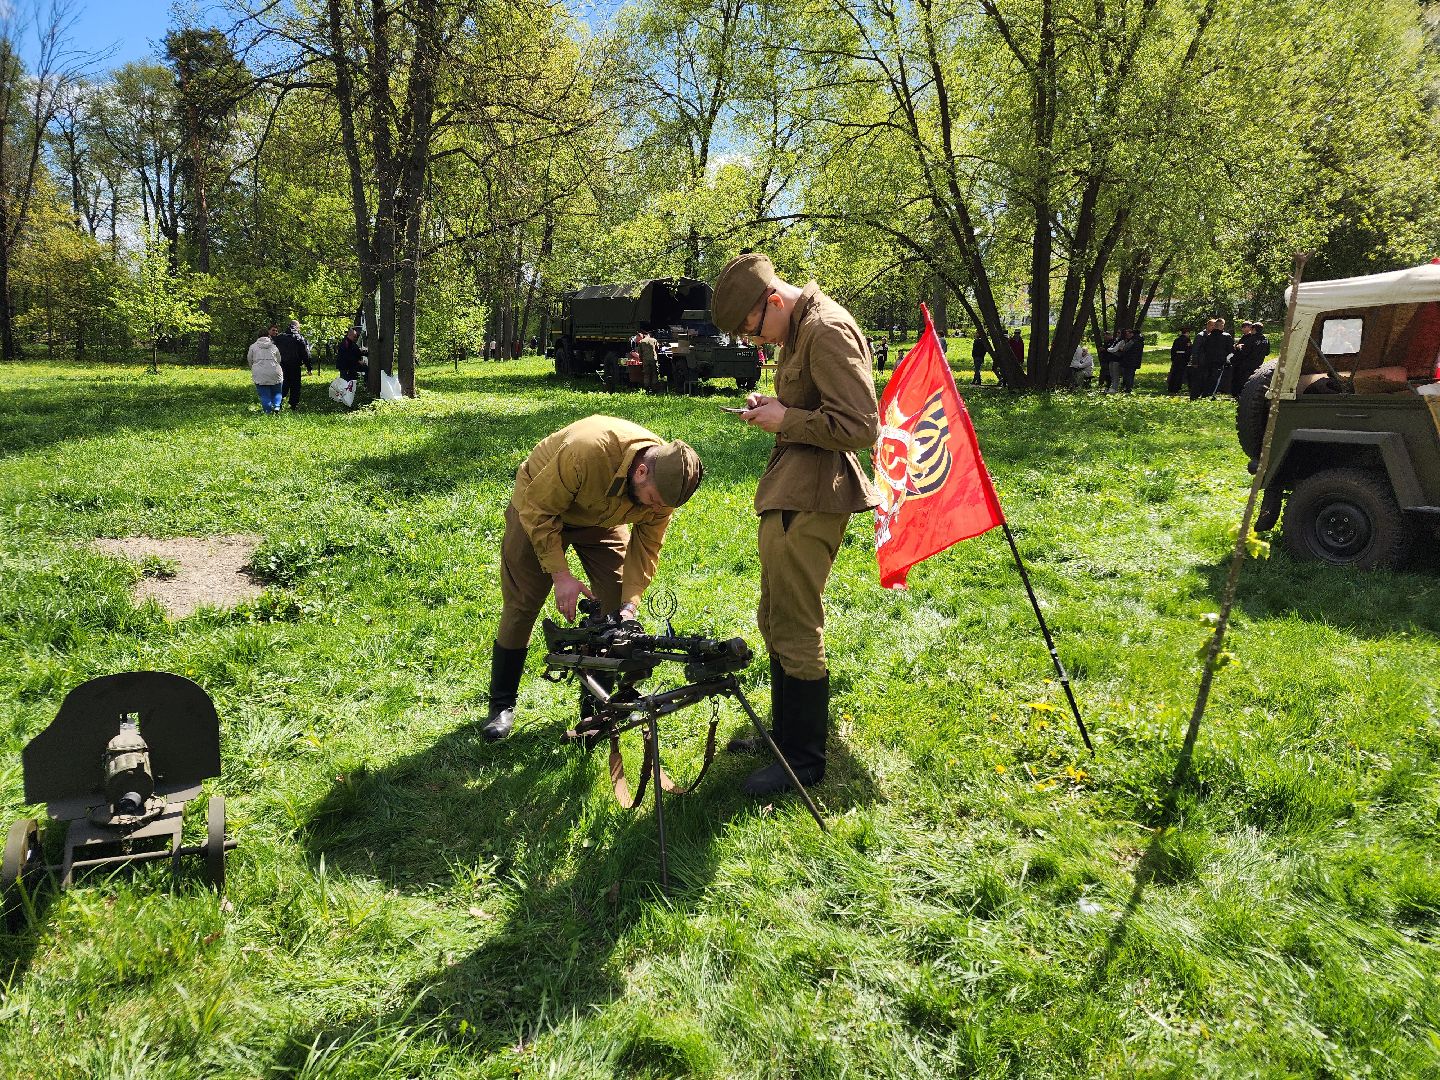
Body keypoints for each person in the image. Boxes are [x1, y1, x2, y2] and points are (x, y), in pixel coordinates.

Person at [710, 252, 880, 796]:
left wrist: (788, 419)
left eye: (751, 329)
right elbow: (814, 402)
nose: (754, 342)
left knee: (795, 622)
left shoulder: (826, 329)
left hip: (814, 496)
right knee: (773, 615)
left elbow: (860, 425)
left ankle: (803, 761)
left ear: (773, 301)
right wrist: (778, 405)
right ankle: (785, 734)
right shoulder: (798, 329)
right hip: (792, 488)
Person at [481, 416, 704, 742]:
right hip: (540, 507)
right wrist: (561, 574)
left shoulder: (664, 488)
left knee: (615, 609)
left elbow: (645, 549)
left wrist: (630, 604)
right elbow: (539, 510)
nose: (657, 508)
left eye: (663, 506)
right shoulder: (586, 451)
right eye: (654, 500)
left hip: (603, 519)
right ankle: (502, 705)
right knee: (523, 603)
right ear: (641, 471)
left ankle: (596, 707)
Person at [273, 319, 311, 411]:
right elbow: (305, 353)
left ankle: (277, 404)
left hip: (282, 365)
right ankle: (293, 405)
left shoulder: (280, 337)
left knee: (283, 384)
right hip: (295, 365)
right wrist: (309, 367)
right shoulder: (299, 338)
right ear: (297, 327)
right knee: (295, 386)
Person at [247, 326, 284, 413]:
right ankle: (277, 406)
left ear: (258, 337)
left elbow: (250, 360)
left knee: (264, 394)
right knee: (277, 391)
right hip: (275, 371)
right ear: (268, 336)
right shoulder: (274, 346)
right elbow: (279, 360)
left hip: (259, 372)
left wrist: (253, 367)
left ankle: (267, 412)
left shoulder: (253, 347)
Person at [1110, 327, 1144, 393]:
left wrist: (1121, 349)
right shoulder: (1139, 340)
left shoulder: (1133, 341)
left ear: (1132, 334)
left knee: (1128, 376)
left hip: (1130, 361)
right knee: (1130, 375)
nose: (1126, 335)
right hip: (1134, 361)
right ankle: (1127, 389)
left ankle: (1128, 390)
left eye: (1127, 334)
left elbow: (1125, 349)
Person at [634, 326, 661, 392]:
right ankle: (654, 388)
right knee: (655, 373)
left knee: (646, 374)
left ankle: (647, 388)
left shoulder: (641, 342)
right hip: (653, 359)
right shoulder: (654, 340)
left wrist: (641, 359)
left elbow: (640, 352)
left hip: (645, 360)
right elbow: (658, 348)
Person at [1167, 328, 1192, 396]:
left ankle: (1171, 387)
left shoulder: (1176, 340)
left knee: (1174, 373)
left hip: (1176, 358)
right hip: (1183, 358)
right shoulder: (1187, 340)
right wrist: (1188, 358)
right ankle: (1177, 387)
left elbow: (1173, 350)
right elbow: (1189, 350)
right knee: (1180, 374)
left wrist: (1173, 358)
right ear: (1187, 333)